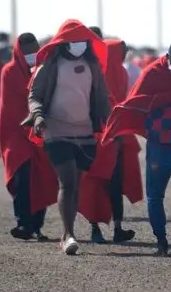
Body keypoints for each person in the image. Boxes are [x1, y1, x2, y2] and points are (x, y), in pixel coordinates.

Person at [102, 40, 171, 257]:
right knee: (155, 196)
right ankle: (161, 241)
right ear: (167, 57)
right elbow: (135, 101)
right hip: (159, 146)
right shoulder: (152, 73)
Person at [23, 19, 111, 255]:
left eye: (83, 41)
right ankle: (70, 234)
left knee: (76, 186)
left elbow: (102, 97)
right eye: (73, 42)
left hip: (85, 133)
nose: (79, 45)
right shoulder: (49, 66)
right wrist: (38, 116)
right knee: (68, 182)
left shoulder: (93, 66)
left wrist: (111, 121)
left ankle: (64, 235)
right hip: (56, 131)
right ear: (63, 43)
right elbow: (34, 96)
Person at [0, 32, 58, 241]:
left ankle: (37, 225)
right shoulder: (9, 72)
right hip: (17, 132)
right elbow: (10, 107)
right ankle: (23, 223)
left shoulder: (46, 69)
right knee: (22, 177)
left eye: (34, 50)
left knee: (41, 178)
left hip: (42, 131)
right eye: (27, 52)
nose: (31, 55)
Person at [86, 38, 141, 244]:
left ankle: (113, 228)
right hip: (103, 136)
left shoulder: (118, 72)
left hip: (113, 137)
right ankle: (97, 229)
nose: (125, 54)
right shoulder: (98, 73)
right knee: (101, 183)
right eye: (122, 51)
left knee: (111, 184)